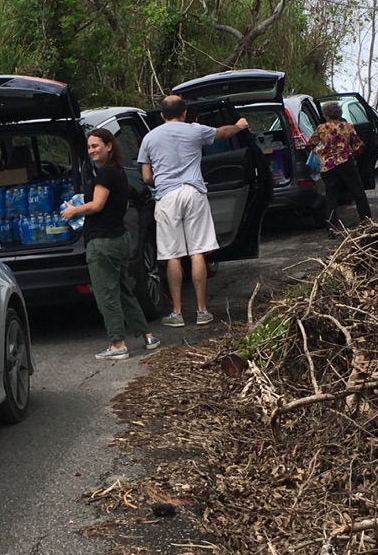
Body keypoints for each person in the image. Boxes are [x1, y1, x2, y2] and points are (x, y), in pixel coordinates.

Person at [138, 95, 253, 328]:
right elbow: (223, 133)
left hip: (167, 197)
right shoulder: (195, 130)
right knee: (198, 251)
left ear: (162, 115)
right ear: (184, 114)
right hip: (194, 192)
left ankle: (177, 313)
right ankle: (202, 311)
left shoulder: (149, 138)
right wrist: (240, 125)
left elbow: (147, 177)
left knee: (172, 255)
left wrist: (162, 183)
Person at [62, 128, 158, 360]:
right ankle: (147, 335)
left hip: (103, 242)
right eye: (89, 147)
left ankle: (118, 344)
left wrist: (74, 210)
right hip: (119, 238)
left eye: (96, 145)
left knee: (107, 294)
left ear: (109, 145)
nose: (92, 150)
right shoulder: (118, 171)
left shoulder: (105, 174)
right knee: (124, 291)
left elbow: (97, 205)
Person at [313, 102, 371, 229]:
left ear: (325, 115)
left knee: (331, 197)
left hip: (328, 166)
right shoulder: (347, 126)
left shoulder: (321, 128)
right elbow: (358, 145)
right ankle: (367, 222)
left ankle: (332, 228)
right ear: (339, 113)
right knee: (358, 192)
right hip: (346, 162)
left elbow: (311, 144)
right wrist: (352, 153)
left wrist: (319, 152)